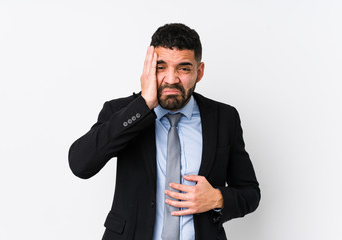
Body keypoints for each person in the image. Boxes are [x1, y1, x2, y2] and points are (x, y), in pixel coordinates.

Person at [69, 23, 260, 240]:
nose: (171, 79)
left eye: (183, 68)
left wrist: (218, 198)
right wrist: (142, 105)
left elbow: (250, 193)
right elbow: (80, 163)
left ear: (200, 71)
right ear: (148, 69)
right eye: (161, 67)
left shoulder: (224, 118)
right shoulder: (120, 112)